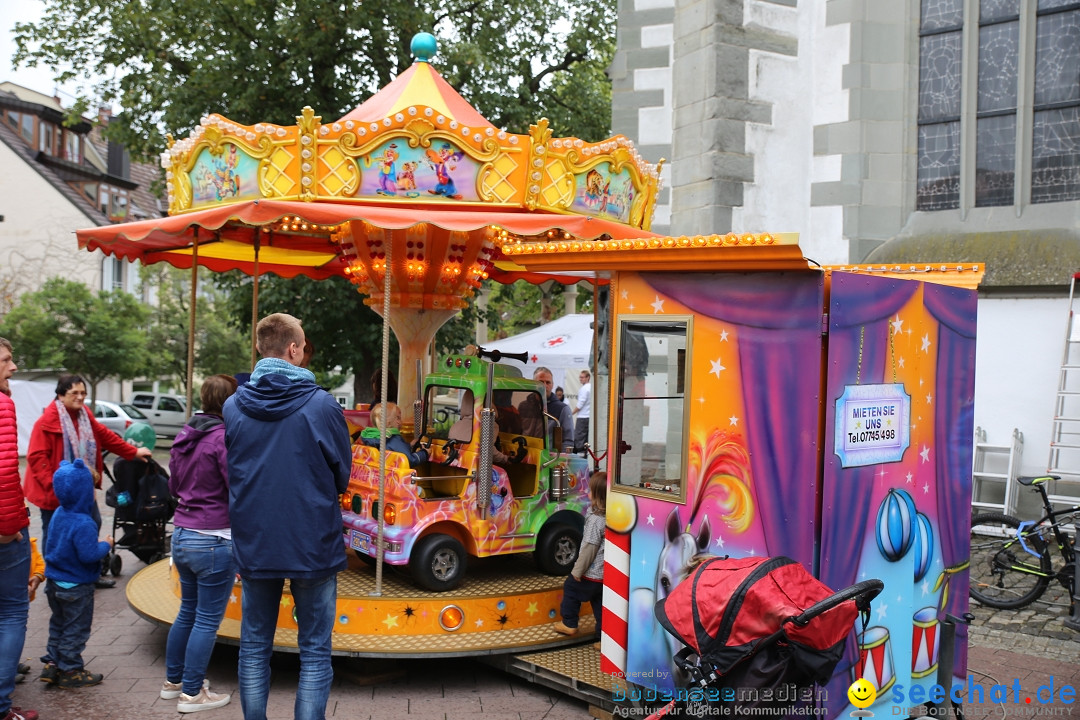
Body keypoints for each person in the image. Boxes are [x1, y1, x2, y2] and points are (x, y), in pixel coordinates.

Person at [223, 313, 352, 720]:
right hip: (311, 539)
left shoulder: (233, 406)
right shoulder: (321, 405)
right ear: (294, 349)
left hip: (256, 537)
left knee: (255, 645)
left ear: (262, 348)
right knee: (314, 649)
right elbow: (341, 474)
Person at [23, 374, 152, 586]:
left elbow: (105, 436)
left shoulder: (84, 415)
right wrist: (57, 488)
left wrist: (132, 452)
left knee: (93, 523)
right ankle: (56, 576)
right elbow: (37, 459)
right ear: (61, 395)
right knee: (55, 533)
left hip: (81, 490)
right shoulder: (47, 422)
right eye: (75, 393)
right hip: (56, 492)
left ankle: (90, 573)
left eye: (83, 393)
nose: (81, 397)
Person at [161, 374, 238, 713]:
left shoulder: (186, 434)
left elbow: (173, 486)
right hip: (213, 538)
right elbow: (236, 487)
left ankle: (173, 681)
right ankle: (192, 694)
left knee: (187, 612)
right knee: (207, 620)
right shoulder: (222, 438)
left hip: (182, 533)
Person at [41, 459, 114, 689]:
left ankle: (52, 663)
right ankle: (70, 670)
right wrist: (106, 545)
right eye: (91, 488)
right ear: (83, 492)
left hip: (54, 582)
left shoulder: (59, 514)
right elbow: (89, 555)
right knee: (76, 628)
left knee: (58, 624)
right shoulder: (85, 523)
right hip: (76, 586)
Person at [0, 337, 38, 720]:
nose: (12, 368)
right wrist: (10, 529)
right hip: (5, 535)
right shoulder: (2, 405)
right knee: (11, 614)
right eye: (7, 361)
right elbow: (4, 472)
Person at [554, 470, 607, 637]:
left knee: (570, 589)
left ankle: (569, 623)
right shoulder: (606, 516)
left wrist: (578, 571)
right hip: (603, 574)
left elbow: (589, 548)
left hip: (590, 572)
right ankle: (602, 637)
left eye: (590, 490)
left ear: (598, 496)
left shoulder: (596, 520)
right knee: (599, 602)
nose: (587, 492)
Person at [359, 402, 428, 468]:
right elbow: (409, 460)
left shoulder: (371, 438)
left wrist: (409, 445)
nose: (400, 421)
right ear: (388, 423)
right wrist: (425, 453)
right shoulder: (393, 439)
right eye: (398, 418)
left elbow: (394, 448)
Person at [533, 367, 574, 451]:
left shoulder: (563, 409)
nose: (544, 385)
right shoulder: (523, 405)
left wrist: (558, 461)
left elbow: (568, 441)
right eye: (541, 382)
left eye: (548, 382)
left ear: (552, 385)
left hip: (550, 460)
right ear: (533, 383)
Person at [573, 370, 592, 453]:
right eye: (580, 377)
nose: (580, 379)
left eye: (582, 377)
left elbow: (580, 404)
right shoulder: (591, 387)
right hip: (588, 416)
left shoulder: (584, 389)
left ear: (588, 378)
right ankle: (585, 455)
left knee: (579, 439)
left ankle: (580, 456)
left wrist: (571, 413)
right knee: (586, 439)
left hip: (582, 417)